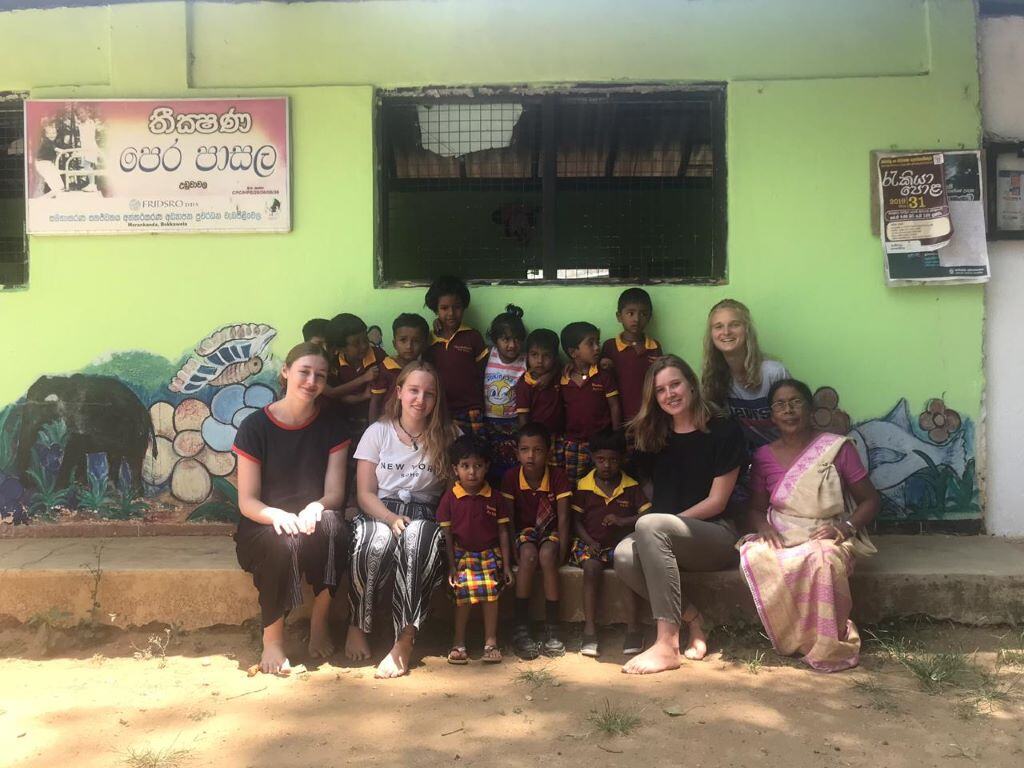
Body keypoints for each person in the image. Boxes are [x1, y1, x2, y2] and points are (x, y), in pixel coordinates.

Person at [614, 355, 746, 675]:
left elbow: (717, 502)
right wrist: (656, 530)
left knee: (651, 525)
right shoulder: (653, 435)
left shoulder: (723, 430)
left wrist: (663, 527)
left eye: (675, 384)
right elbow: (647, 488)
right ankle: (694, 618)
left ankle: (667, 645)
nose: (669, 394)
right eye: (660, 390)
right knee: (622, 555)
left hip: (715, 535)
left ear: (691, 383)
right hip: (663, 536)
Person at [739, 379, 879, 672]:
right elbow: (753, 508)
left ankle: (827, 644)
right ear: (772, 415)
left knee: (824, 559)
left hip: (824, 531)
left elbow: (870, 501)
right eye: (780, 404)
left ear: (811, 409)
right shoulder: (763, 456)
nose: (788, 410)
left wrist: (845, 528)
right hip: (782, 530)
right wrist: (763, 529)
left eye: (795, 402)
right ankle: (796, 639)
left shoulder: (837, 449)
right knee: (755, 555)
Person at [232, 342, 351, 674]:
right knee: (281, 540)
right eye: (304, 372)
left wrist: (317, 506)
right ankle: (273, 640)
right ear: (285, 372)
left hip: (312, 521)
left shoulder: (332, 427)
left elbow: (335, 494)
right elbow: (247, 501)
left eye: (321, 376)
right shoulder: (255, 426)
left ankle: (319, 622)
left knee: (335, 526)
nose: (312, 381)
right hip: (263, 525)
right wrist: (277, 516)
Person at [345, 361, 460, 679]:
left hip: (425, 514)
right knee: (374, 541)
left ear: (437, 400)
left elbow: (454, 493)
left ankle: (404, 640)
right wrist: (390, 517)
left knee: (417, 539)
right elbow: (365, 493)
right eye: (413, 390)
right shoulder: (378, 432)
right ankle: (357, 624)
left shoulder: (449, 436)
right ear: (399, 392)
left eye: (429, 393)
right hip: (379, 510)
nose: (420, 399)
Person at [570, 428, 651, 658]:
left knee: (625, 568)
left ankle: (634, 628)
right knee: (591, 568)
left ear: (622, 459)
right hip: (591, 544)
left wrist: (623, 520)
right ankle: (590, 629)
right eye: (601, 459)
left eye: (613, 460)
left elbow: (647, 515)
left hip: (620, 546)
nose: (607, 465)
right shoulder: (584, 486)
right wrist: (589, 541)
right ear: (592, 458)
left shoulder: (631, 486)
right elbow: (575, 522)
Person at [438, 436, 514, 664]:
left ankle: (491, 642)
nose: (472, 472)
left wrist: (507, 566)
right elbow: (447, 534)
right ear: (455, 469)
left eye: (478, 466)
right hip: (462, 554)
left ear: (487, 467)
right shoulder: (450, 498)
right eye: (465, 466)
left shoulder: (495, 497)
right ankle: (458, 641)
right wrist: (451, 566)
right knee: (462, 593)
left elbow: (502, 532)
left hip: (489, 553)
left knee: (491, 593)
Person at [500, 422, 572, 659]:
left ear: (548, 452)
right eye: (524, 449)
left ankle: (553, 626)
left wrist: (562, 548)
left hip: (550, 530)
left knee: (547, 555)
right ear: (517, 452)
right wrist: (513, 552)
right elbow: (508, 519)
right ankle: (521, 625)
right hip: (525, 532)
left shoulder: (557, 477)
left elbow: (563, 517)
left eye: (537, 450)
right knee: (530, 555)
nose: (530, 456)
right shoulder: (511, 478)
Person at [701, 299, 790, 452]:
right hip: (746, 457)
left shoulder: (773, 372)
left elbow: (797, 421)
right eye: (718, 326)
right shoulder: (713, 376)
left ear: (747, 330)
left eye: (735, 324)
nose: (726, 331)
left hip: (786, 453)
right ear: (711, 334)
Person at [423, 275, 488, 436]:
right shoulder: (429, 340)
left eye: (457, 307)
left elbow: (484, 374)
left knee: (475, 453)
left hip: (472, 409)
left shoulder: (473, 336)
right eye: (444, 308)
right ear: (435, 309)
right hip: (440, 410)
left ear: (464, 307)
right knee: (444, 454)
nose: (451, 313)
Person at [559, 321, 622, 481]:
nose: (597, 348)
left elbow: (614, 406)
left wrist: (616, 435)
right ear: (574, 352)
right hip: (574, 443)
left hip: (601, 442)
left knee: (603, 481)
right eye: (590, 343)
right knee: (575, 483)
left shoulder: (603, 375)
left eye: (597, 342)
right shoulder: (563, 379)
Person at [601, 288, 663, 423]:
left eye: (643, 314)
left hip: (647, 414)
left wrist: (660, 366)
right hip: (617, 414)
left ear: (649, 317)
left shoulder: (654, 346)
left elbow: (661, 379)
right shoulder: (609, 346)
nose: (636, 319)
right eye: (630, 313)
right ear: (619, 316)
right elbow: (598, 375)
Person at [484, 304, 527, 484]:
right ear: (495, 340)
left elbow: (550, 366)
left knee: (512, 466)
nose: (512, 345)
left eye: (516, 339)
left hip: (513, 422)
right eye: (506, 339)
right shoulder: (488, 354)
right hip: (489, 421)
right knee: (491, 465)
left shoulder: (526, 360)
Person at [324, 313, 387, 431]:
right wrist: (364, 384)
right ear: (341, 348)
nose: (364, 346)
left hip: (379, 420)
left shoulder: (379, 356)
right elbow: (337, 395)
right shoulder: (334, 365)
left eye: (365, 339)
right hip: (347, 422)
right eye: (356, 344)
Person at [514, 328, 564, 467]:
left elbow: (562, 365)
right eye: (534, 355)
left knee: (556, 470)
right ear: (527, 356)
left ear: (554, 357)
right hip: (535, 440)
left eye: (546, 355)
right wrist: (526, 443)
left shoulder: (560, 375)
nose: (540, 361)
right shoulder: (525, 384)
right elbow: (523, 418)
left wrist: (551, 374)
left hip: (558, 436)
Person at [368, 313, 430, 422]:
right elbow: (375, 402)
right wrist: (372, 430)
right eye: (403, 340)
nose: (409, 346)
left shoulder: (426, 370)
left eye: (416, 341)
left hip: (416, 424)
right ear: (394, 343)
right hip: (388, 424)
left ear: (424, 344)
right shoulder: (385, 368)